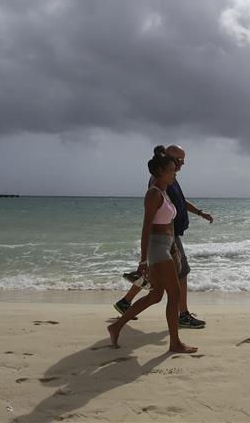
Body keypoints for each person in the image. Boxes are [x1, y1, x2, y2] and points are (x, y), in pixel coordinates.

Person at [114, 144, 214, 329]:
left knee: (156, 276)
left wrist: (200, 213)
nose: (182, 165)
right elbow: (152, 217)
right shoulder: (158, 181)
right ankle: (183, 315)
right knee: (181, 273)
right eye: (180, 161)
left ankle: (125, 302)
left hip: (169, 236)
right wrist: (144, 257)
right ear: (170, 158)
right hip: (167, 236)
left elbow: (180, 201)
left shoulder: (171, 177)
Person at [107, 147, 196, 353]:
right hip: (156, 249)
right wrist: (143, 261)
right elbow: (146, 228)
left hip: (166, 246)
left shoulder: (165, 192)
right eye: (173, 170)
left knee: (156, 296)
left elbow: (170, 223)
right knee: (173, 295)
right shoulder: (154, 194)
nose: (176, 173)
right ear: (161, 172)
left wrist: (174, 245)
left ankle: (116, 326)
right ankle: (175, 343)